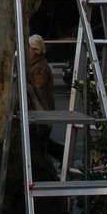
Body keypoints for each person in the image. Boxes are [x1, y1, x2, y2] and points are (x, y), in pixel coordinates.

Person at [28, 34, 64, 162]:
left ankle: (64, 155)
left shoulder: (40, 68)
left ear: (35, 50)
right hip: (41, 111)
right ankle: (63, 155)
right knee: (41, 142)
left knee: (41, 143)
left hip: (41, 111)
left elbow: (38, 91)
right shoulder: (35, 65)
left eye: (29, 48)